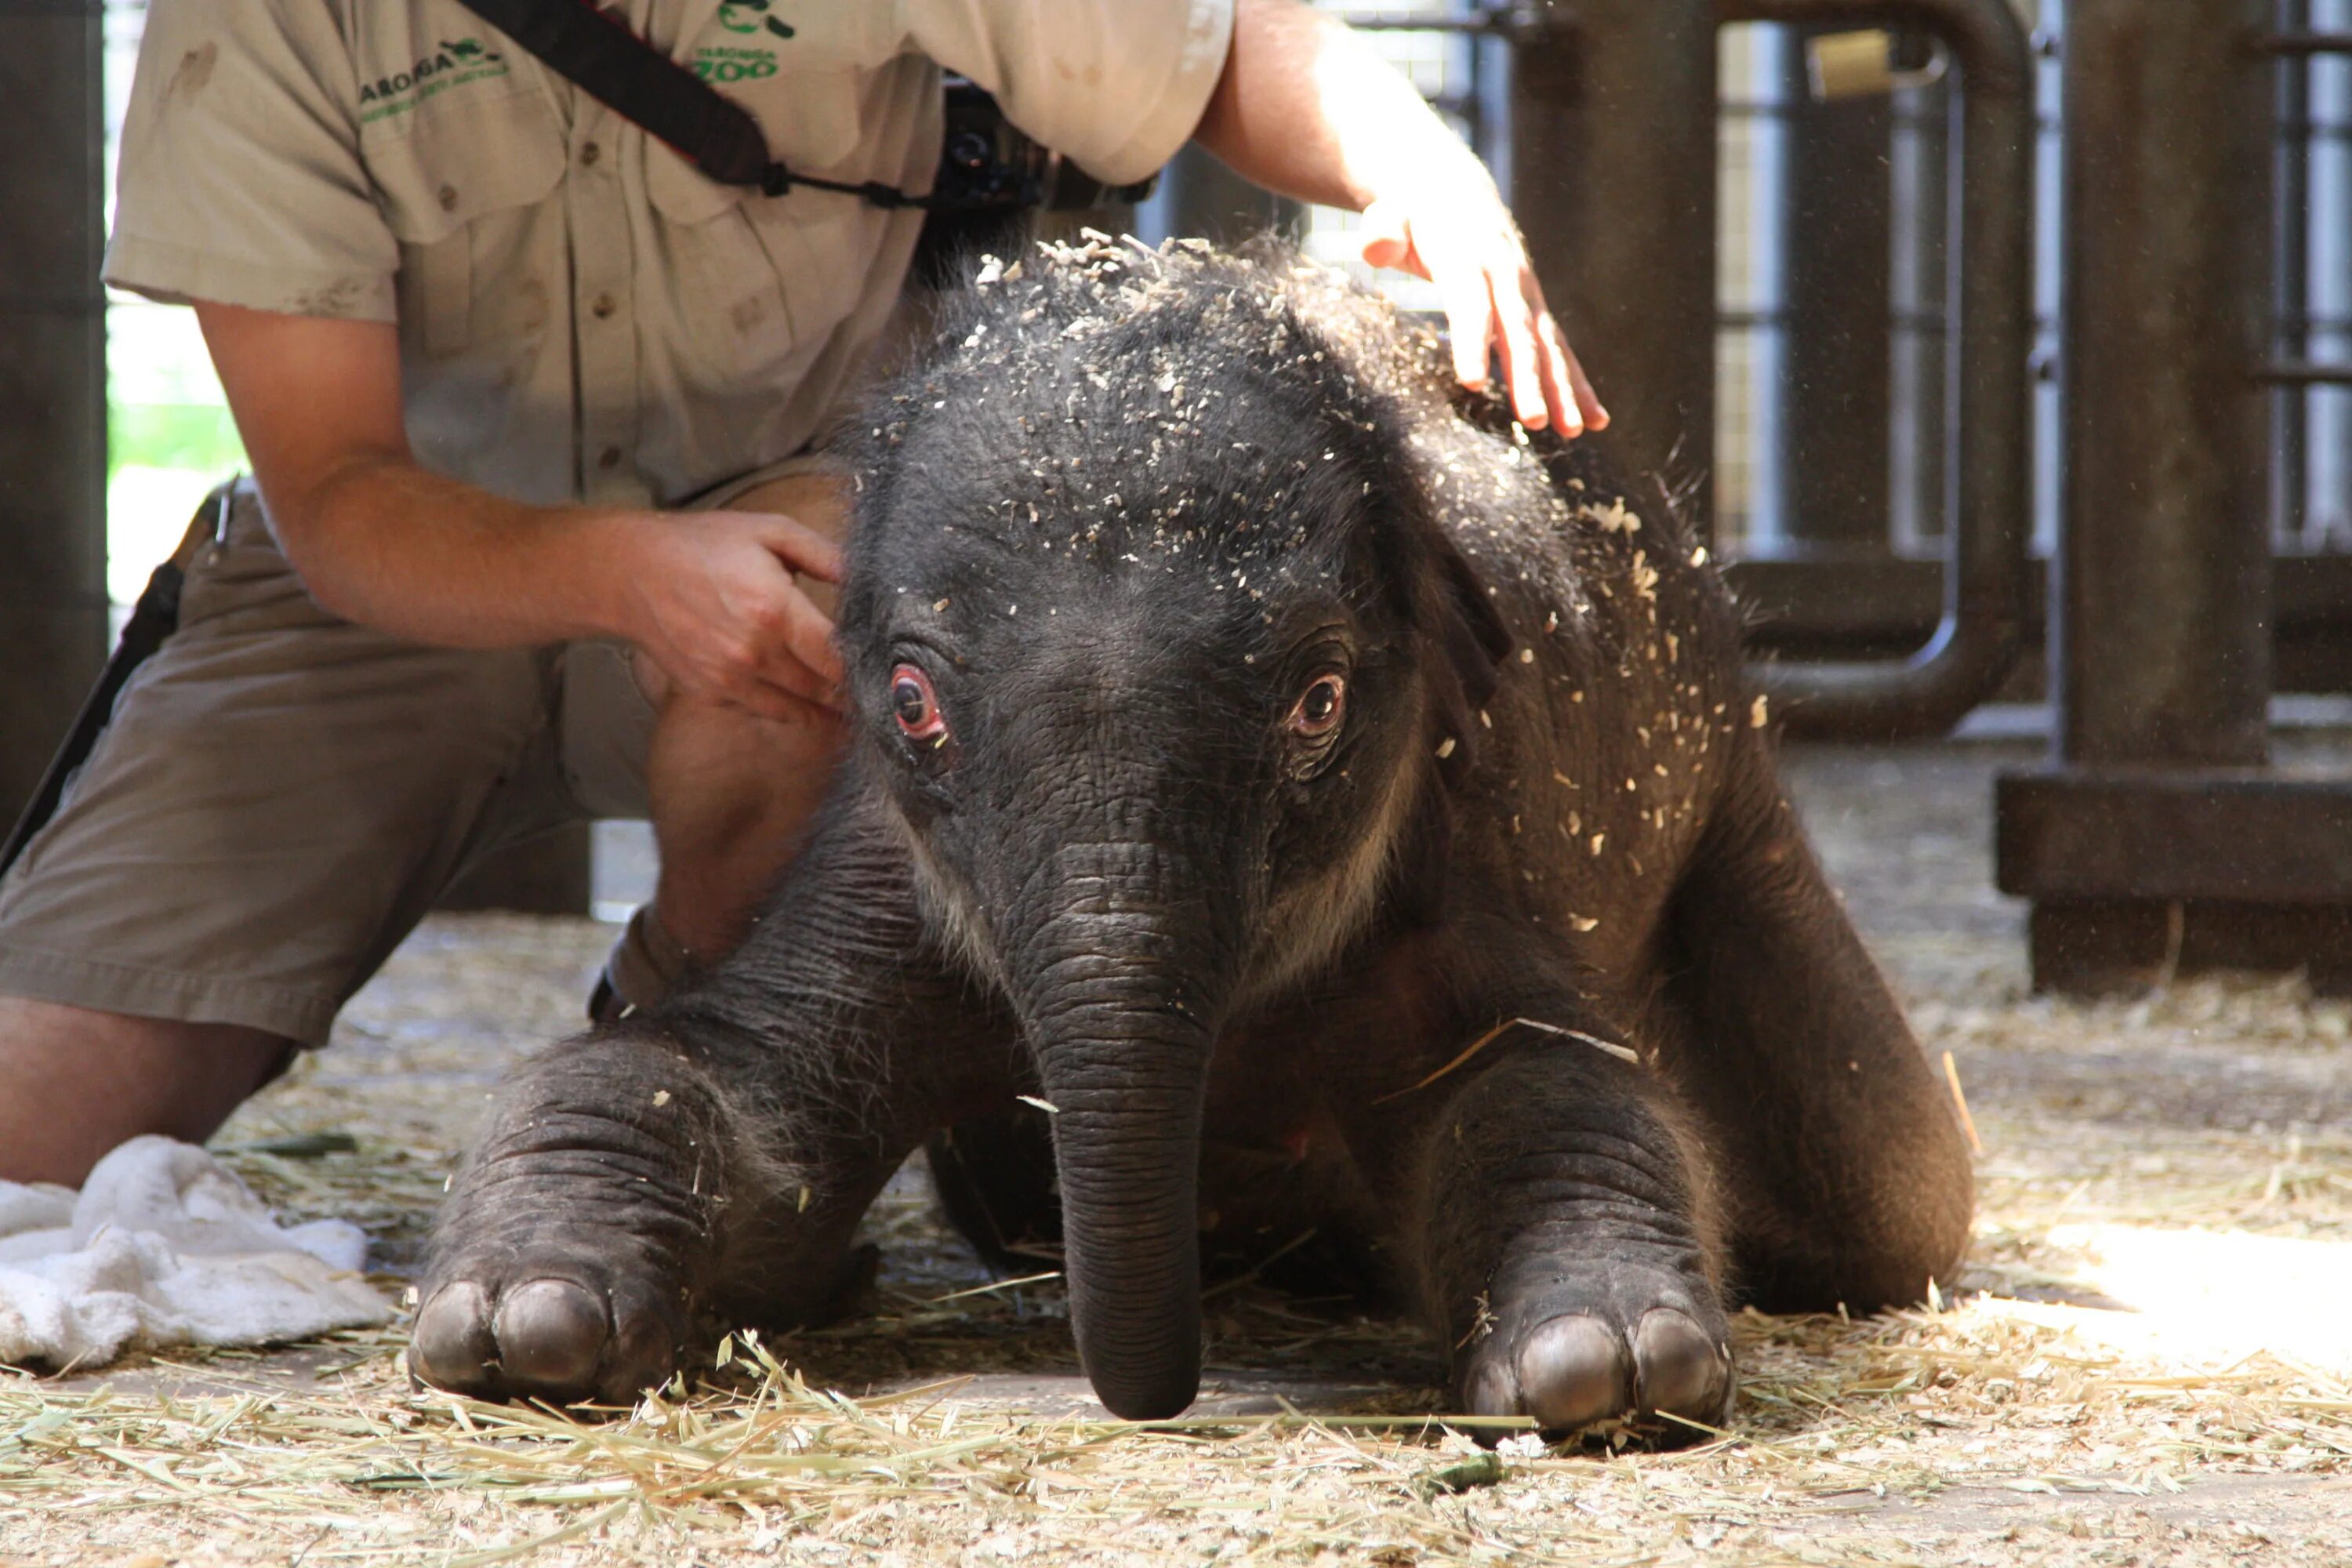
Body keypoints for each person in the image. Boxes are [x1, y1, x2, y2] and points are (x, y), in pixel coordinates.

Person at [0, 0, 1606, 1187]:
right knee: (28, 1133)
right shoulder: (261, 20)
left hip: (805, 524)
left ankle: (684, 1106)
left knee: (827, 621)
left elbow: (1221, 47)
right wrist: (625, 571)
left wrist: (1426, 171)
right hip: (399, 569)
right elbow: (338, 494)